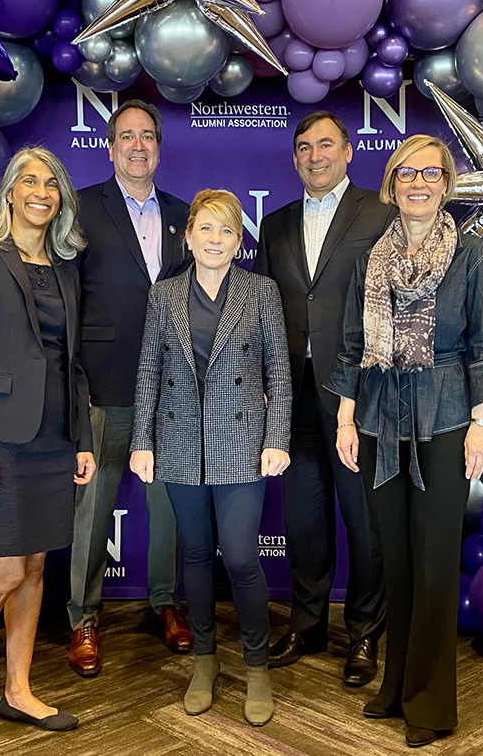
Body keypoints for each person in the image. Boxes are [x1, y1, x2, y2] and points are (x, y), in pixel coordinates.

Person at [328, 135, 483, 747]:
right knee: (396, 558)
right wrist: (345, 419)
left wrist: (482, 425)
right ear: (392, 181)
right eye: (406, 172)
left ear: (445, 183)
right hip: (381, 417)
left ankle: (431, 705)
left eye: (430, 173)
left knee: (435, 563)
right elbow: (355, 347)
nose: (417, 183)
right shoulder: (370, 257)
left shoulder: (471, 256)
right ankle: (397, 685)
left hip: (445, 419)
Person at [0, 147, 96, 741]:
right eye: (29, 180)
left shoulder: (64, 267)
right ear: (9, 192)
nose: (41, 191)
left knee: (33, 567)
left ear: (60, 199)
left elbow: (72, 362)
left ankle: (17, 690)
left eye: (52, 183)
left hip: (54, 437)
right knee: (3, 569)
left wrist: (81, 438)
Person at [129, 190, 292, 726]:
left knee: (242, 559)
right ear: (188, 235)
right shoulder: (164, 295)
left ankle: (257, 665)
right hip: (179, 445)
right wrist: (142, 442)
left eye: (226, 230)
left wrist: (278, 439)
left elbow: (279, 374)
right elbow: (149, 371)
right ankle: (205, 660)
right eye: (206, 229)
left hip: (243, 444)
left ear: (238, 240)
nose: (215, 239)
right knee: (195, 557)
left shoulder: (261, 291)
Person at [253, 110, 391, 686]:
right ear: (295, 157)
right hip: (291, 394)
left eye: (326, 145)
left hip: (356, 392)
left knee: (363, 520)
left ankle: (364, 636)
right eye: (304, 147)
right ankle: (307, 624)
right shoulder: (276, 224)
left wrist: (362, 391)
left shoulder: (380, 214)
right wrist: (261, 378)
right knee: (305, 518)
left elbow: (390, 305)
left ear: (348, 152)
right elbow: (260, 306)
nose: (315, 155)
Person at [67, 99, 192, 676]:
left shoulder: (182, 214)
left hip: (170, 393)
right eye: (127, 137)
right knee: (92, 509)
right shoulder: (81, 209)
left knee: (167, 508)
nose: (138, 146)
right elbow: (67, 303)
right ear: (111, 147)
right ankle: (83, 617)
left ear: (158, 148)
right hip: (103, 384)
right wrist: (75, 383)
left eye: (147, 136)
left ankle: (166, 603)